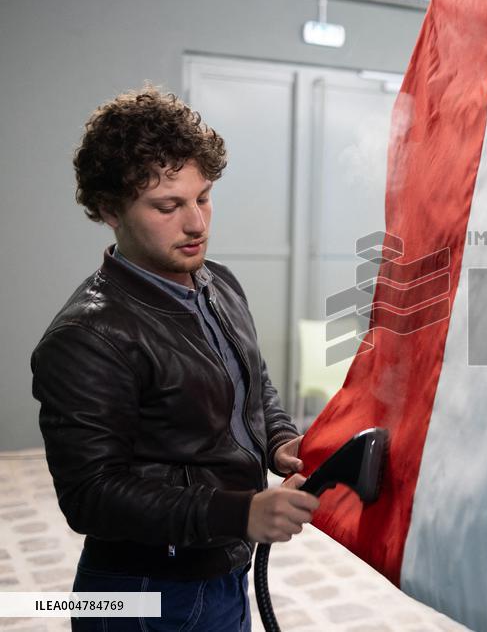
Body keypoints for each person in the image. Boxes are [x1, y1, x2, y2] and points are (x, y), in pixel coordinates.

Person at [31, 86, 320, 630]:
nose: (197, 224)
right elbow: (90, 496)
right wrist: (242, 512)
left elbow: (253, 381)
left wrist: (280, 440)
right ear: (109, 210)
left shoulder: (218, 282)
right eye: (168, 206)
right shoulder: (87, 336)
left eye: (203, 197)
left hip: (221, 567)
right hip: (145, 592)